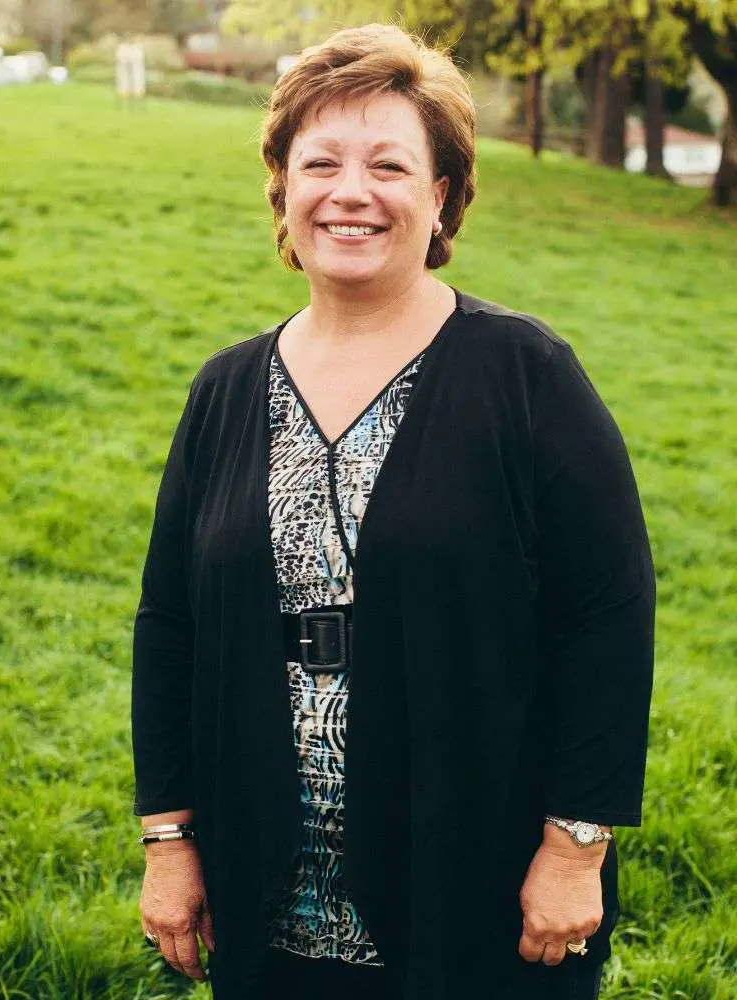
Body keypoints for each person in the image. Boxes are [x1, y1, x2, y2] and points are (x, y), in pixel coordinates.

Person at [132, 23, 655, 1000]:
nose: (350, 191)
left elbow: (605, 614)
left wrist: (575, 843)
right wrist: (169, 838)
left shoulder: (525, 375)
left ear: (440, 192)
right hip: (268, 879)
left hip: (476, 880)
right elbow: (168, 623)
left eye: (388, 164)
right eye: (319, 160)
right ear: (283, 187)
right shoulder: (224, 390)